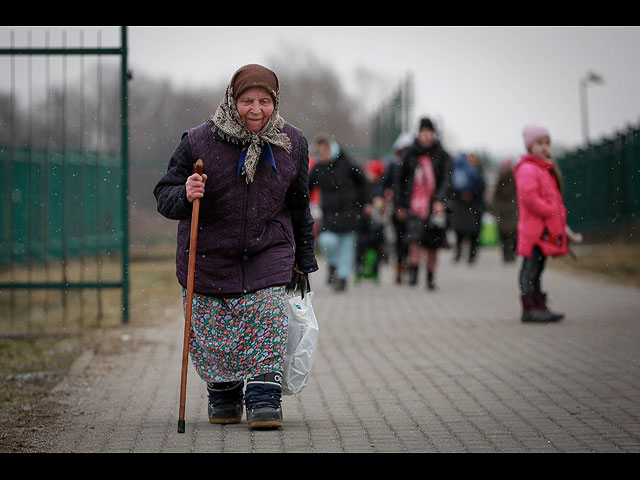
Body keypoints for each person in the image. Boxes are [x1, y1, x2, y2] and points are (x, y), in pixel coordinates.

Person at [153, 64, 318, 429]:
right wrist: (185, 192)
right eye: (246, 100)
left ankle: (263, 398)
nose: (256, 109)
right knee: (213, 334)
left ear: (275, 102)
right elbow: (164, 194)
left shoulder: (291, 142)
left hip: (267, 250)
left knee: (267, 315)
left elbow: (299, 204)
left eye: (264, 101)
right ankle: (224, 391)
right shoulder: (198, 141)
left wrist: (304, 260)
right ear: (232, 100)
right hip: (210, 254)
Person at [515, 124, 568, 322]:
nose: (545, 147)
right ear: (529, 146)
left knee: (538, 268)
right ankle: (529, 307)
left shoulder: (545, 169)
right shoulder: (528, 169)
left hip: (545, 229)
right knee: (530, 269)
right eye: (539, 143)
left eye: (547, 143)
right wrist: (551, 210)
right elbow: (530, 198)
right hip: (534, 230)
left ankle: (539, 304)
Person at [309, 133, 372, 292]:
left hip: (350, 211)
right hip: (330, 214)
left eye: (325, 151)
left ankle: (343, 278)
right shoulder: (318, 168)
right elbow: (306, 188)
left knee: (347, 247)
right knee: (326, 242)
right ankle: (332, 265)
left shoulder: (347, 163)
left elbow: (363, 182)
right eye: (319, 152)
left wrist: (367, 202)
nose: (322, 155)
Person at [395, 118, 452, 290]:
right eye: (423, 132)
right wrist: (400, 204)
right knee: (415, 240)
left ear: (434, 134)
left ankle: (430, 276)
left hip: (435, 206)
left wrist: (441, 200)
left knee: (433, 243)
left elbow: (447, 180)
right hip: (414, 205)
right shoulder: (410, 154)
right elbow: (401, 181)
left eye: (429, 132)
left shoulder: (442, 155)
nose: (426, 136)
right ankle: (414, 271)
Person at [450, 153, 485, 264]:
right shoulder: (475, 172)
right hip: (470, 205)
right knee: (468, 232)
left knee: (465, 232)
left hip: (465, 205)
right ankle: (467, 255)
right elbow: (481, 187)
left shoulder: (458, 171)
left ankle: (464, 254)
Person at [491, 158, 518, 262]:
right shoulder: (501, 179)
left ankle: (509, 253)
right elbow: (496, 196)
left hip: (510, 210)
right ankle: (507, 253)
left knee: (511, 233)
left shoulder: (513, 178)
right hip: (504, 210)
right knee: (506, 234)